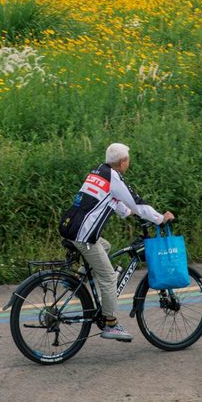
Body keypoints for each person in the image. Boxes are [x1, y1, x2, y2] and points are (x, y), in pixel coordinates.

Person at [59, 142, 175, 341]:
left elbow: (112, 200)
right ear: (122, 162)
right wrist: (159, 218)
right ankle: (110, 324)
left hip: (70, 227)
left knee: (105, 246)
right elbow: (136, 202)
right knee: (109, 278)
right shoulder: (114, 178)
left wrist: (126, 212)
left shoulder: (98, 172)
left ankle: (78, 280)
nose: (128, 163)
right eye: (128, 160)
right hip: (84, 236)